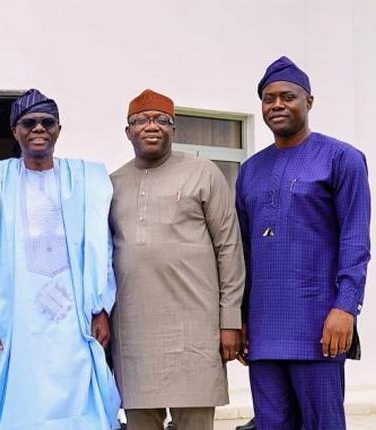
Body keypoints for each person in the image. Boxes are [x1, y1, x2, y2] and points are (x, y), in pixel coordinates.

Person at [0, 89, 120, 429]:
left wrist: (101, 307)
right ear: (14, 130)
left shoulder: (86, 180)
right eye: (28, 122)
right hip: (14, 318)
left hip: (73, 320)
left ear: (59, 130)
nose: (39, 129)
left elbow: (102, 248)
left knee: (78, 405)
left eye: (47, 122)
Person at [236, 56, 370, 430]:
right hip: (263, 328)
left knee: (322, 423)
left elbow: (356, 240)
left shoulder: (342, 159)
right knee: (270, 423)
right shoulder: (249, 171)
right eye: (268, 98)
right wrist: (242, 317)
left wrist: (346, 307)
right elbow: (244, 251)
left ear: (308, 102)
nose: (277, 105)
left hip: (319, 324)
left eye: (287, 96)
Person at [110, 89, 245, 430]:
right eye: (140, 121)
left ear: (174, 128)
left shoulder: (204, 173)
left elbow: (228, 247)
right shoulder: (112, 184)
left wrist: (229, 319)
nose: (151, 126)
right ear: (128, 131)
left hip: (195, 332)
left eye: (161, 120)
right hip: (133, 332)